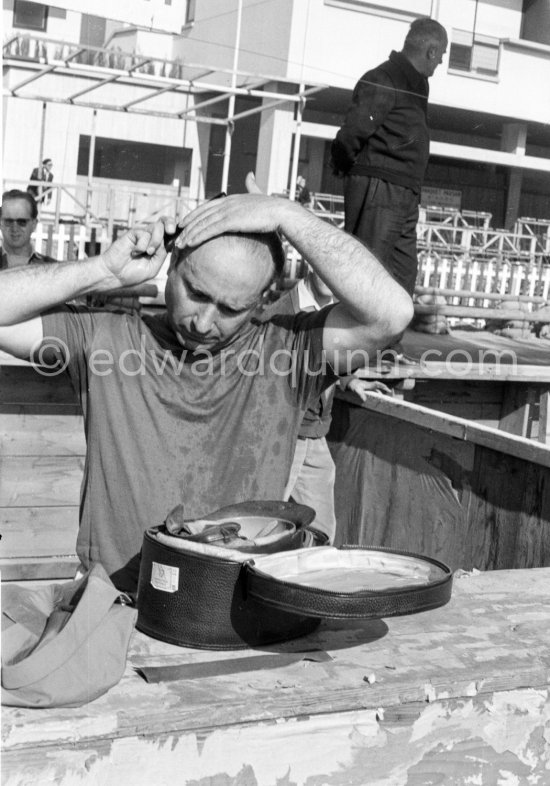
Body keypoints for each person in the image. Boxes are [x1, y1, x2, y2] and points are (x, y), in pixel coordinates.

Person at [0, 173, 413, 592]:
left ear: (262, 301)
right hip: (116, 602)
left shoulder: (287, 353)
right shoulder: (106, 338)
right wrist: (102, 271)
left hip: (235, 605)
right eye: (195, 292)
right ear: (172, 264)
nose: (203, 322)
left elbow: (391, 314)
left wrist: (288, 216)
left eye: (231, 308)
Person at [262, 268, 392, 544]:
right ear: (311, 264)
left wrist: (349, 379)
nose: (335, 278)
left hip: (314, 430)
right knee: (266, 516)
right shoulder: (281, 312)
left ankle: (313, 575)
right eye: (328, 270)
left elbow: (329, 352)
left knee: (320, 524)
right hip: (285, 433)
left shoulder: (336, 311)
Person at [331, 17, 448, 305]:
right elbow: (353, 132)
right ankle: (355, 348)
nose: (441, 63)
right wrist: (348, 165)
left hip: (404, 191)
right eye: (441, 56)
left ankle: (387, 349)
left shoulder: (417, 84)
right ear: (431, 52)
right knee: (367, 274)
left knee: (401, 278)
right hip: (380, 186)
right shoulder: (383, 77)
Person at [0, 190, 56, 269]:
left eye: (22, 222)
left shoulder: (51, 269)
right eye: (8, 221)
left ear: (34, 225)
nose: (14, 228)